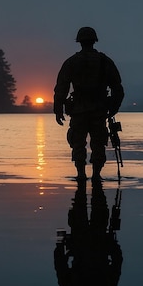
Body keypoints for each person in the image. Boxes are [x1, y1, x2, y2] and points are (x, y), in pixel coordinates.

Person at [53, 27, 125, 181]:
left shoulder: (71, 62)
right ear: (94, 41)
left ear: (79, 42)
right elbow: (118, 89)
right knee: (98, 145)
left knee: (78, 144)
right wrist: (113, 109)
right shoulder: (105, 61)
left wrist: (58, 110)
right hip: (99, 112)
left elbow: (61, 88)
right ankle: (96, 176)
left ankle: (81, 175)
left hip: (79, 112)